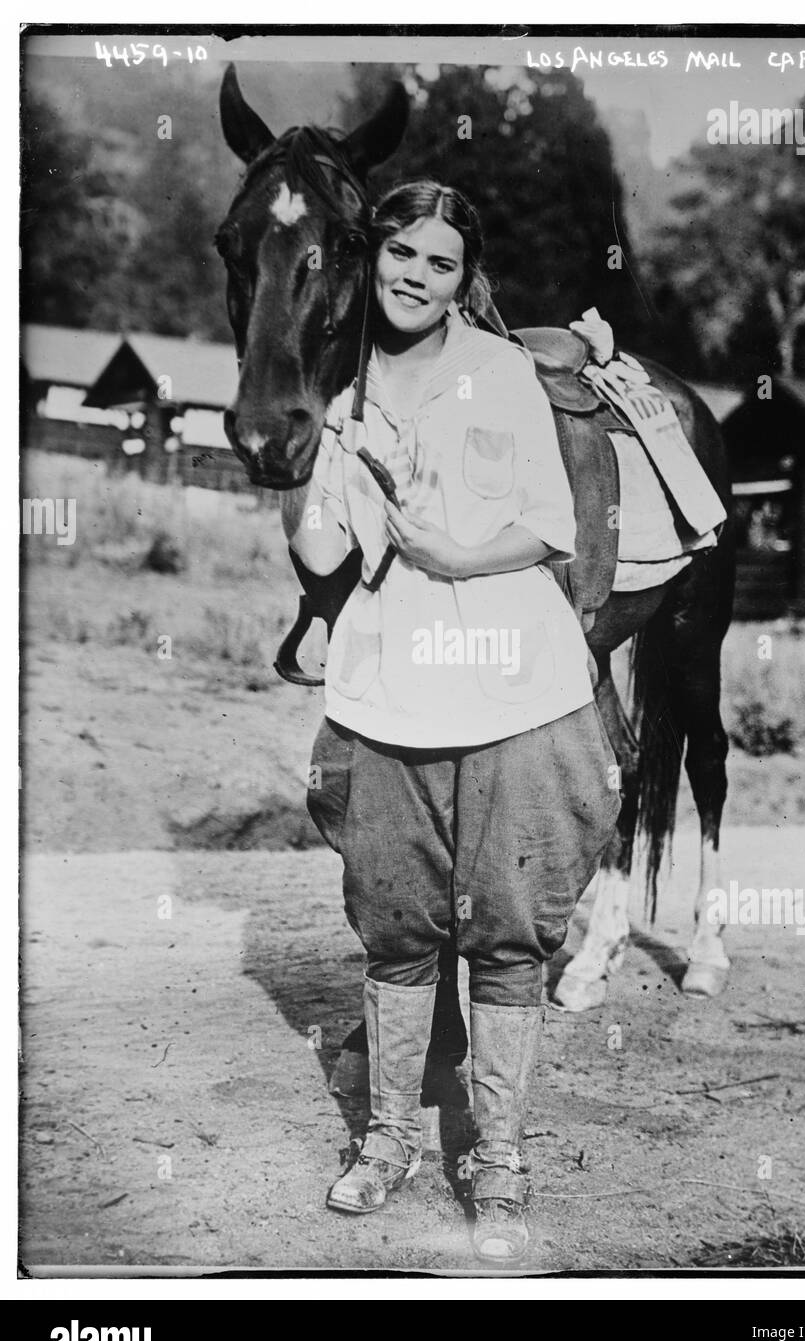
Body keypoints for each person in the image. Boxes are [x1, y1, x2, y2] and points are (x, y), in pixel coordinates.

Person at [281, 179, 620, 1263]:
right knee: (395, 924)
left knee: (511, 935)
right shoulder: (337, 384)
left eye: (436, 260)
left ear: (460, 273)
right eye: (396, 252)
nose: (412, 275)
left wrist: (453, 557)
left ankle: (501, 1159)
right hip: (388, 682)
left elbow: (546, 521)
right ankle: (388, 1141)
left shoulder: (501, 369)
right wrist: (301, 467)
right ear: (367, 256)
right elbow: (324, 556)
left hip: (513, 679)